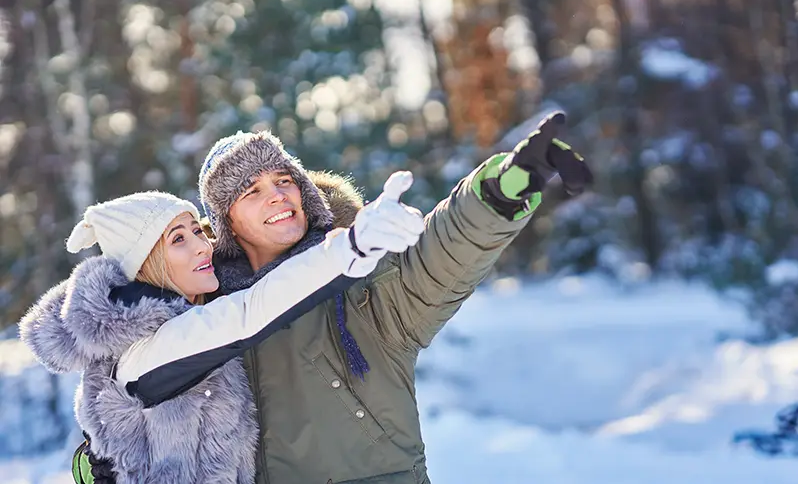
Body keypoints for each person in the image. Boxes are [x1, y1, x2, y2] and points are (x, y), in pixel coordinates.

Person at [87, 110, 593, 483]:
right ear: (226, 222)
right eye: (252, 191)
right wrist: (97, 464)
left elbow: (446, 251)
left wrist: (505, 187)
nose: (278, 195)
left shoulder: (366, 283)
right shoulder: (205, 310)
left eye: (284, 181)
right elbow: (129, 411)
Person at [19, 178, 424, 483]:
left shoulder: (182, 322)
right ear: (145, 264)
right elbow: (250, 311)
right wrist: (350, 248)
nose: (201, 246)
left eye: (198, 230)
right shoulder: (149, 351)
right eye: (178, 239)